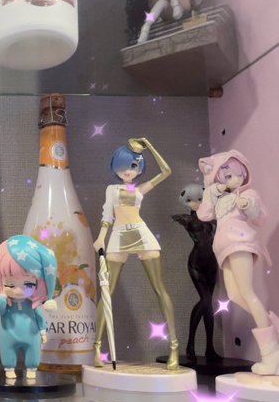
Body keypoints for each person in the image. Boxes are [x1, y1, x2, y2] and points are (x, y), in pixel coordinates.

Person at [93, 138, 179, 370]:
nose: (127, 171)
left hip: (141, 233)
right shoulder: (112, 189)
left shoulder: (140, 189)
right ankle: (97, 347)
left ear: (139, 167)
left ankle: (174, 347)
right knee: (107, 291)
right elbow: (107, 215)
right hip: (119, 235)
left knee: (159, 288)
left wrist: (150, 146)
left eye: (133, 166)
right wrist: (101, 237)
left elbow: (166, 171)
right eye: (122, 166)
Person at [197, 151, 277, 375]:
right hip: (224, 248)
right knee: (234, 295)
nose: (235, 179)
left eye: (238, 174)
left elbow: (260, 217)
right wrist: (212, 191)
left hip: (240, 243)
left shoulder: (248, 193)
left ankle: (271, 355)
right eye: (228, 176)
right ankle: (271, 326)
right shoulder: (220, 198)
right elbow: (204, 215)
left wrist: (248, 204)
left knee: (247, 292)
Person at [0, 235, 57, 380]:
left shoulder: (32, 305)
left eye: (28, 284)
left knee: (33, 351)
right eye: (10, 284)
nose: (18, 290)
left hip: (31, 333)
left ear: (39, 282)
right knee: (7, 350)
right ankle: (9, 368)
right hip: (8, 333)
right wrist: (1, 298)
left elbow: (39, 316)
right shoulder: (6, 302)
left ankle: (32, 368)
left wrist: (43, 331)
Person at [172, 183, 220, 361]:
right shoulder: (187, 219)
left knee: (209, 305)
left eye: (200, 199)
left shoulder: (214, 217)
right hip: (196, 263)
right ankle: (190, 344)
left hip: (212, 263)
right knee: (205, 300)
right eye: (190, 200)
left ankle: (210, 348)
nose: (196, 203)